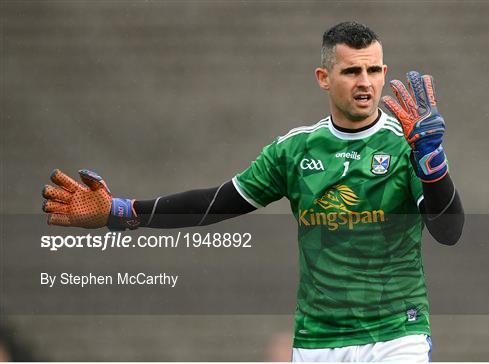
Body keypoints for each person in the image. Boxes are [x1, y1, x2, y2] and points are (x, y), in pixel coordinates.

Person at [42, 22, 464, 362]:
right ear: (323, 77)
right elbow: (217, 203)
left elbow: (449, 231)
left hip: (398, 334)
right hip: (318, 340)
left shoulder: (407, 144)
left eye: (373, 70)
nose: (365, 82)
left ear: (384, 73)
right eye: (351, 70)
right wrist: (123, 213)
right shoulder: (294, 150)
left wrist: (433, 165)